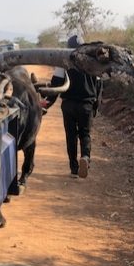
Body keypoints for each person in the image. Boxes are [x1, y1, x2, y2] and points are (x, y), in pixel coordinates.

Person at [42, 35, 103, 178]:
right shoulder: (93, 61)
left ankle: (74, 168)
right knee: (85, 134)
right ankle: (86, 158)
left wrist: (47, 103)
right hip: (86, 103)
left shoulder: (64, 60)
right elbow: (99, 86)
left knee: (71, 135)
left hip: (68, 104)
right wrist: (95, 106)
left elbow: (56, 84)